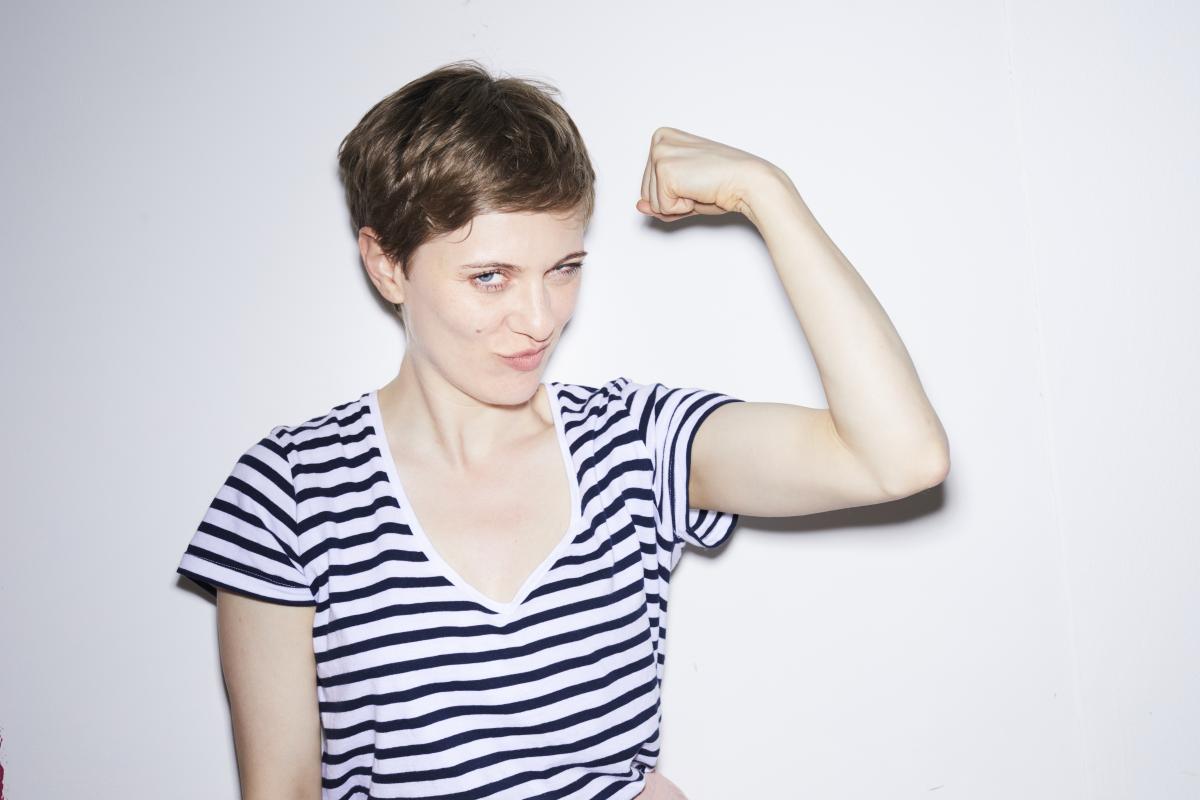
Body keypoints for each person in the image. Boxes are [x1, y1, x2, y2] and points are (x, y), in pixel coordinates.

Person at [176, 60, 949, 800]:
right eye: (491, 277)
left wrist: (766, 192)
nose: (540, 319)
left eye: (564, 268)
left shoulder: (632, 444)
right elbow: (282, 789)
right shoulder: (291, 490)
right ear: (386, 265)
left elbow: (898, 459)